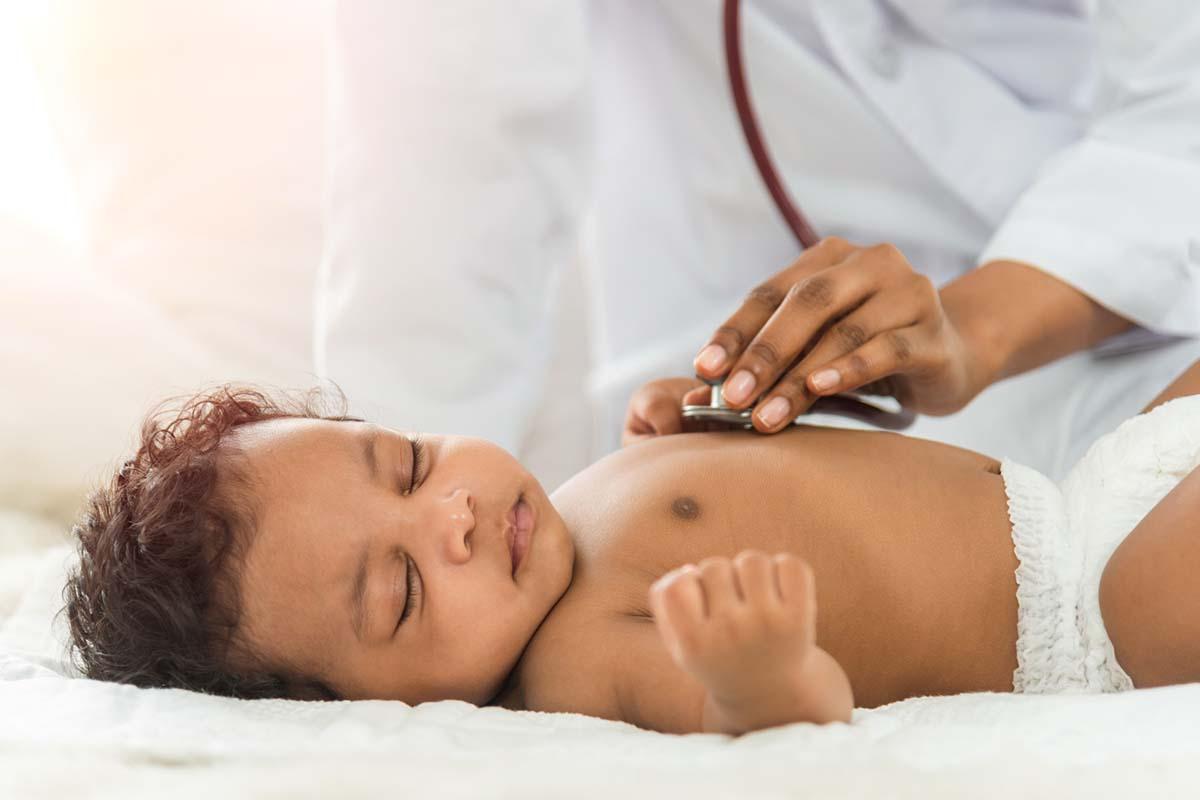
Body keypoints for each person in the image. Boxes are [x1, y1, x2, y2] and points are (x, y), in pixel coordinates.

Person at [62, 356, 1200, 734]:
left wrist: (705, 431)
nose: (449, 513)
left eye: (407, 461)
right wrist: (760, 674)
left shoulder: (567, 510)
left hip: (1089, 488)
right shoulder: (577, 664)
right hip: (1095, 611)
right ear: (367, 706)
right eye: (403, 587)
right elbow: (796, 726)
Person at [317, 2, 1200, 485]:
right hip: (725, 390)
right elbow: (448, 131)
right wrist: (401, 497)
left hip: (1132, 304)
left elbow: (1182, 91)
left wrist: (969, 331)